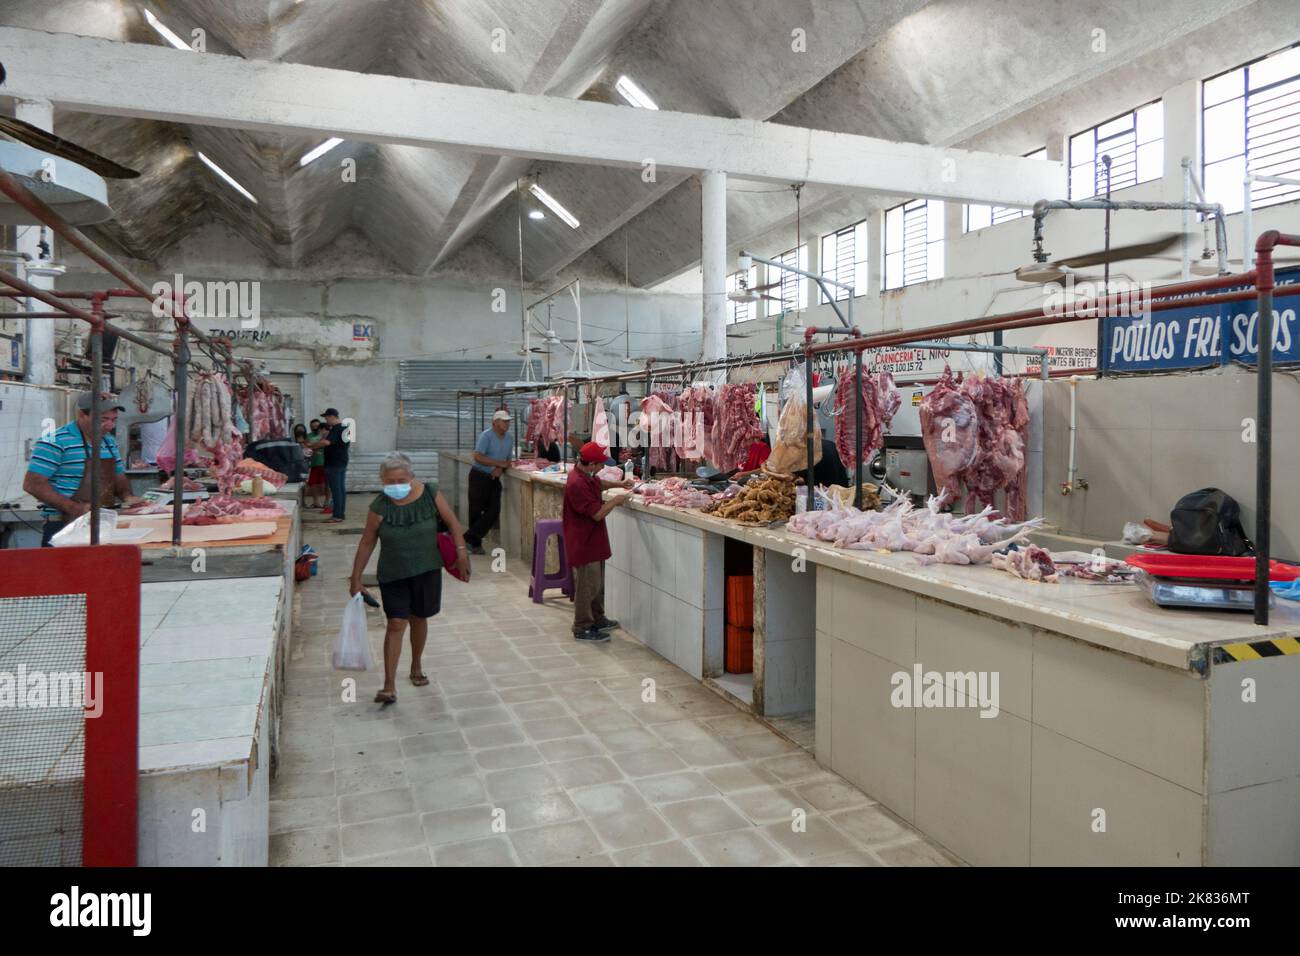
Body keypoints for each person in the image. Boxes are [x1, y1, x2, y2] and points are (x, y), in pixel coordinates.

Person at [350, 453, 471, 705]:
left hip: (426, 569)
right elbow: (367, 541)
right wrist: (356, 578)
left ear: (411, 476)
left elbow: (453, 524)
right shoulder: (379, 507)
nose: (395, 486)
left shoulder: (430, 494)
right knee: (396, 623)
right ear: (382, 481)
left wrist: (461, 554)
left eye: (401, 479)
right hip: (393, 573)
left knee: (419, 618)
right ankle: (389, 686)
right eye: (389, 481)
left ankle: (416, 666)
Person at [23, 391, 144, 546]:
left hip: (101, 525)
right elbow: (33, 484)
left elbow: (118, 476)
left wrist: (127, 496)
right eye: (103, 420)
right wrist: (74, 508)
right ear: (82, 415)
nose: (109, 426)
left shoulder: (109, 442)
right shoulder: (55, 441)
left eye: (114, 420)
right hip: (63, 526)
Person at [563, 441, 634, 642]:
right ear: (592, 464)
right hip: (583, 541)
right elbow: (596, 514)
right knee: (588, 585)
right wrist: (615, 500)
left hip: (593, 539)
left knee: (597, 582)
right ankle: (582, 626)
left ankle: (598, 618)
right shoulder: (576, 483)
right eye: (601, 464)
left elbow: (598, 484)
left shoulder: (586, 475)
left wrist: (619, 484)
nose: (603, 467)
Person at [464, 409, 513, 554]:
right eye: (504, 421)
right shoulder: (486, 436)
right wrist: (496, 464)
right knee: (476, 510)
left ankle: (467, 538)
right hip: (479, 476)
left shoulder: (509, 438)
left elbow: (508, 460)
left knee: (494, 511)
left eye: (508, 421)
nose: (507, 424)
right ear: (495, 423)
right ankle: (475, 544)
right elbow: (477, 456)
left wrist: (500, 468)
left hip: (495, 478)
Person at [310, 408, 350, 522]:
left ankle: (337, 516)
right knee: (341, 489)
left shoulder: (336, 429)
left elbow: (326, 442)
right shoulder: (345, 428)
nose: (326, 420)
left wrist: (312, 446)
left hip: (334, 463)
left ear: (332, 416)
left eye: (326, 417)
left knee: (336, 490)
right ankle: (340, 514)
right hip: (342, 461)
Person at [305, 418, 329, 510]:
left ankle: (327, 501)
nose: (315, 428)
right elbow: (307, 445)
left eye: (317, 426)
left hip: (326, 462)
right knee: (313, 483)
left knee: (327, 483)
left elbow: (322, 444)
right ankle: (316, 502)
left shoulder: (327, 435)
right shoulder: (309, 436)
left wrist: (314, 444)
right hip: (315, 463)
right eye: (312, 427)